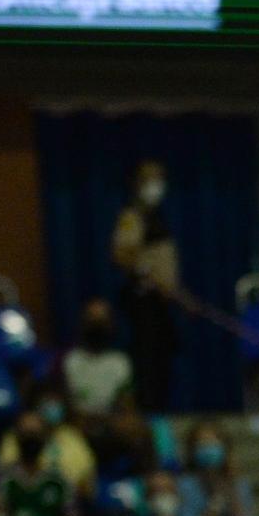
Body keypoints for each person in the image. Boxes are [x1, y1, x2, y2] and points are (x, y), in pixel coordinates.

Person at [110, 159, 181, 413]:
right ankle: (149, 415)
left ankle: (160, 411)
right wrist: (148, 277)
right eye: (150, 179)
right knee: (147, 362)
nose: (156, 185)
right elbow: (121, 254)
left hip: (163, 302)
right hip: (144, 300)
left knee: (163, 362)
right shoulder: (132, 216)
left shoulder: (157, 217)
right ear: (137, 184)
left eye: (160, 179)